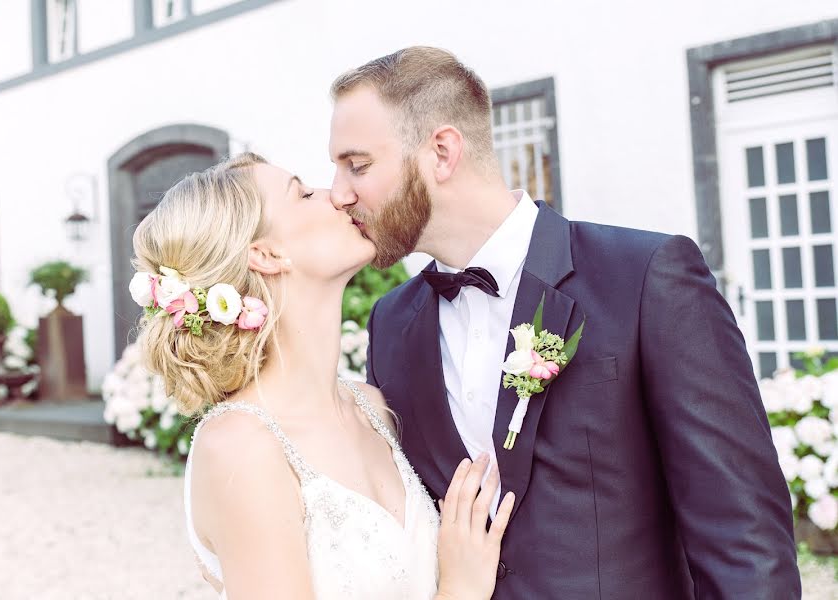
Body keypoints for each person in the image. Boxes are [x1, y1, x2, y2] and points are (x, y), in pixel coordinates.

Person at [328, 46, 802, 599]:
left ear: (441, 151)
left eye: (357, 165)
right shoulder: (392, 322)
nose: (339, 193)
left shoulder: (646, 278)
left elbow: (743, 535)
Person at [129, 152, 514, 599]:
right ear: (266, 254)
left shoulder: (373, 408)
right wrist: (462, 589)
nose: (337, 196)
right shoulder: (240, 447)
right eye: (304, 193)